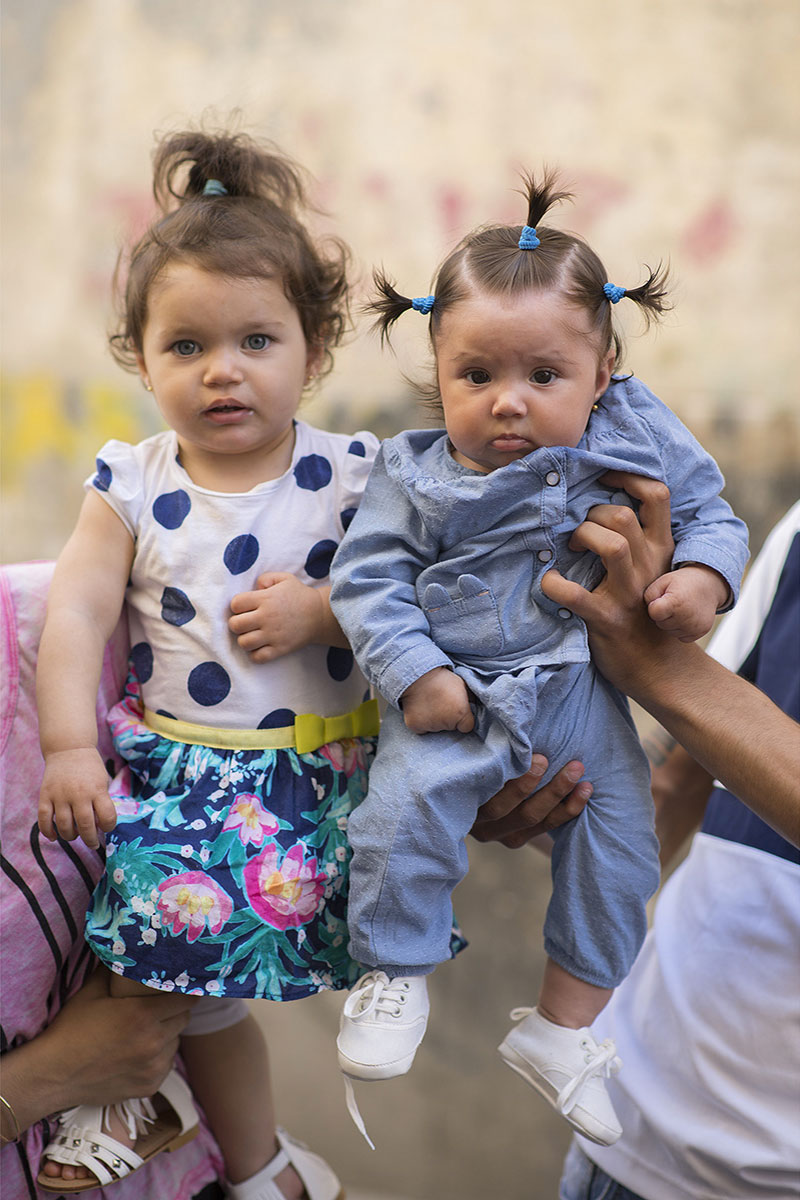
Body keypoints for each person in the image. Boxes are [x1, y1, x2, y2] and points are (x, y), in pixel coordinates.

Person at [327, 171, 750, 1147]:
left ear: (602, 373)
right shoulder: (412, 473)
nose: (507, 403)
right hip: (456, 693)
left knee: (623, 845)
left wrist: (701, 578)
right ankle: (393, 973)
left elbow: (709, 514)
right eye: (475, 375)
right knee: (399, 816)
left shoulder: (633, 435)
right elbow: (367, 580)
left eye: (544, 377)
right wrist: (414, 672)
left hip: (579, 692)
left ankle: (564, 1028)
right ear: (438, 368)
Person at [33, 128, 388, 1199]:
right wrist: (68, 749)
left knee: (180, 977)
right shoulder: (131, 481)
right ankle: (253, 1162)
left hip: (311, 780)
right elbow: (76, 611)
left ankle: (155, 1105)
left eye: (255, 340)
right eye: (185, 345)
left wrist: (324, 611)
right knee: (154, 960)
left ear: (312, 351)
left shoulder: (353, 478)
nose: (221, 369)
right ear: (142, 360)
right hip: (182, 775)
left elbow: (415, 602)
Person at [551, 499, 800, 1199]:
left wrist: (659, 666)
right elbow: (685, 774)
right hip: (628, 1129)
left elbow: (690, 691)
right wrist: (532, 798)